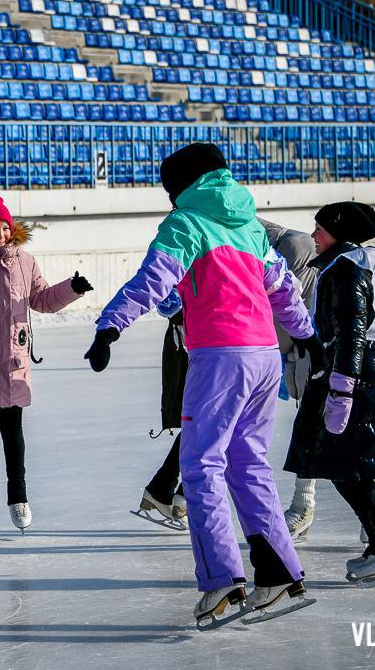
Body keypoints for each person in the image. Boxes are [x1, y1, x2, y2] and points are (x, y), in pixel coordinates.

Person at [86, 144, 322, 628]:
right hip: (264, 357)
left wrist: (110, 326)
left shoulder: (186, 223)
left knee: (200, 467)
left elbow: (153, 279)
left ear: (183, 185)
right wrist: (307, 334)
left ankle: (221, 580)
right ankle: (278, 572)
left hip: (220, 358)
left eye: (170, 187)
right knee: (248, 463)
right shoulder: (251, 226)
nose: (169, 197)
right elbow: (282, 287)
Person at [284, 202, 375, 587]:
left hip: (352, 373)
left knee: (340, 461)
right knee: (343, 462)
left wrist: (341, 389)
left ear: (340, 233)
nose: (313, 237)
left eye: (320, 230)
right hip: (374, 369)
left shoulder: (346, 268)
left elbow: (350, 330)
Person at [0, 195, 91, 535]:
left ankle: (18, 497)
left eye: (5, 228)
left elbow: (41, 300)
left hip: (13, 359)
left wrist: (71, 288)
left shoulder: (26, 261)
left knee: (13, 430)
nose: (0, 235)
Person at [258, 219, 325, 543]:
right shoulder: (291, 246)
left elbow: (287, 307)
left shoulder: (293, 248)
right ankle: (303, 506)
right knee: (312, 431)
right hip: (306, 352)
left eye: (321, 229)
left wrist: (284, 349)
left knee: (324, 434)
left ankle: (304, 506)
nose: (315, 235)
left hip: (312, 353)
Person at [132, 289, 188, 531]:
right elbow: (166, 299)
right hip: (198, 342)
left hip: (205, 340)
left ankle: (163, 489)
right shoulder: (184, 255)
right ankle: (182, 495)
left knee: (207, 423)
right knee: (216, 423)